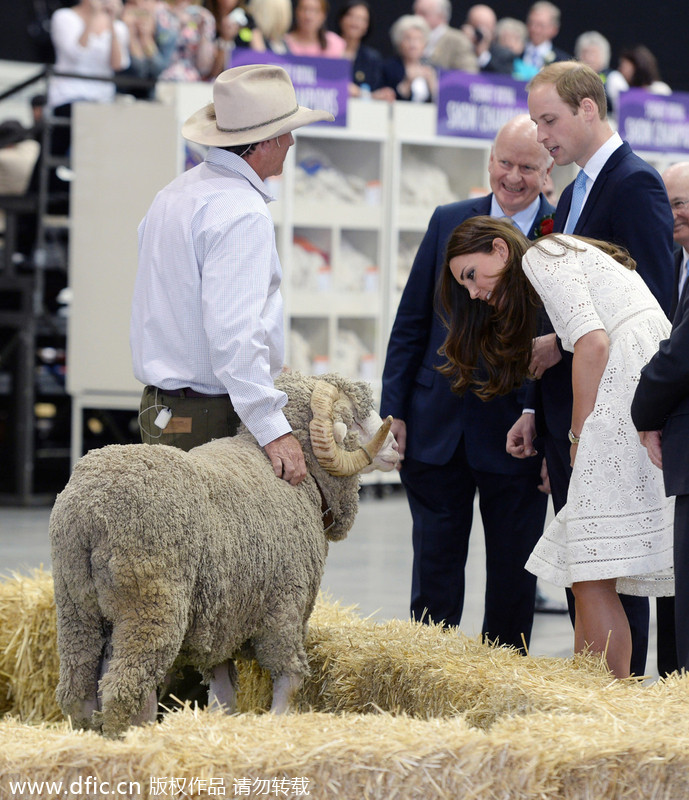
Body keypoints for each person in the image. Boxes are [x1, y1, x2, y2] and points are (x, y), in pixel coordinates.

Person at [440, 217, 674, 678]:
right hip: (641, 379)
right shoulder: (555, 258)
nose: (473, 293)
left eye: (471, 274)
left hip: (627, 383)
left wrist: (578, 436)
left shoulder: (541, 256)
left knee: (589, 570)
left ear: (500, 251)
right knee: (587, 569)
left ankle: (606, 701)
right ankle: (593, 694)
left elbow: (593, 344)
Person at [509, 60, 675, 676]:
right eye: (534, 122)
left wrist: (601, 420)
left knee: (610, 569)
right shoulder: (575, 190)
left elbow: (652, 306)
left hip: (613, 414)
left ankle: (611, 709)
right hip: (573, 408)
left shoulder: (633, 183)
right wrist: (534, 402)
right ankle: (595, 701)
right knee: (590, 569)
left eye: (549, 120)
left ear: (588, 109)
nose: (541, 135)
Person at [380, 114, 554, 652]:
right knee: (433, 571)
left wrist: (546, 427)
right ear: (490, 161)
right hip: (437, 429)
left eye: (528, 166)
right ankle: (429, 678)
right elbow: (411, 321)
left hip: (517, 436)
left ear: (549, 170)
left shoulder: (562, 232)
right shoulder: (449, 220)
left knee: (512, 576)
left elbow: (563, 341)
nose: (514, 177)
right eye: (505, 163)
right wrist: (394, 412)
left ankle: (499, 687)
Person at [130, 64, 334, 485]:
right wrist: (272, 428)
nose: (292, 141)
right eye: (287, 132)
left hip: (163, 408)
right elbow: (233, 330)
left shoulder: (174, 194)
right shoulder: (241, 211)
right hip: (209, 415)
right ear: (265, 141)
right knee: (217, 549)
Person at [631, 196, 689, 672]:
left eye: (683, 202)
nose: (673, 214)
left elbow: (677, 356)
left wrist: (643, 410)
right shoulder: (670, 260)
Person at [47, 0, 130, 156]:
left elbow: (118, 64)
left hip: (102, 100)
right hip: (68, 96)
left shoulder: (119, 28)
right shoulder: (64, 16)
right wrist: (92, 18)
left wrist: (111, 23)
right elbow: (75, 54)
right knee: (58, 150)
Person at [120, 0, 178, 97]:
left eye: (146, 1)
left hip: (152, 95)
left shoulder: (167, 31)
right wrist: (131, 34)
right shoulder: (118, 27)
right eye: (133, 4)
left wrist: (146, 39)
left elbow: (158, 69)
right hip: (121, 93)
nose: (141, 7)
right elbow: (137, 69)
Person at [379, 15, 436, 103]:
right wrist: (407, 83)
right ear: (399, 42)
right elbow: (386, 98)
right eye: (408, 38)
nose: (413, 44)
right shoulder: (389, 68)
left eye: (418, 39)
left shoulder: (432, 68)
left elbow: (441, 103)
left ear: (425, 43)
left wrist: (433, 85)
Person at [411, 0, 477, 74]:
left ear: (441, 15)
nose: (416, 17)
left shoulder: (458, 40)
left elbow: (469, 73)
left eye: (423, 13)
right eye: (415, 12)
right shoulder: (408, 37)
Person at [157, 0, 216, 81]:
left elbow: (204, 68)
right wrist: (178, 26)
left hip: (191, 81)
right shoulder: (160, 11)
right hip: (160, 75)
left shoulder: (204, 17)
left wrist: (202, 35)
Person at [605, 44, 671, 116]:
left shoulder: (660, 89)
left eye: (624, 66)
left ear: (638, 66)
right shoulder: (622, 88)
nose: (620, 69)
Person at [336, 0, 383, 97]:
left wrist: (360, 93)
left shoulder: (371, 58)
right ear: (341, 19)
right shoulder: (327, 48)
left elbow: (376, 93)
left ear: (367, 26)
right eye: (351, 15)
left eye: (361, 19)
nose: (355, 22)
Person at [519, 1, 570, 78]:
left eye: (540, 25)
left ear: (554, 29)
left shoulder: (563, 62)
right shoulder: (516, 53)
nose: (534, 29)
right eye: (531, 23)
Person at [461, 4, 514, 75]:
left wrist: (482, 55)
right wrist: (463, 42)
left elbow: (504, 79)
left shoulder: (504, 55)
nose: (480, 34)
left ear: (493, 30)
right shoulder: (457, 47)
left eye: (485, 29)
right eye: (476, 28)